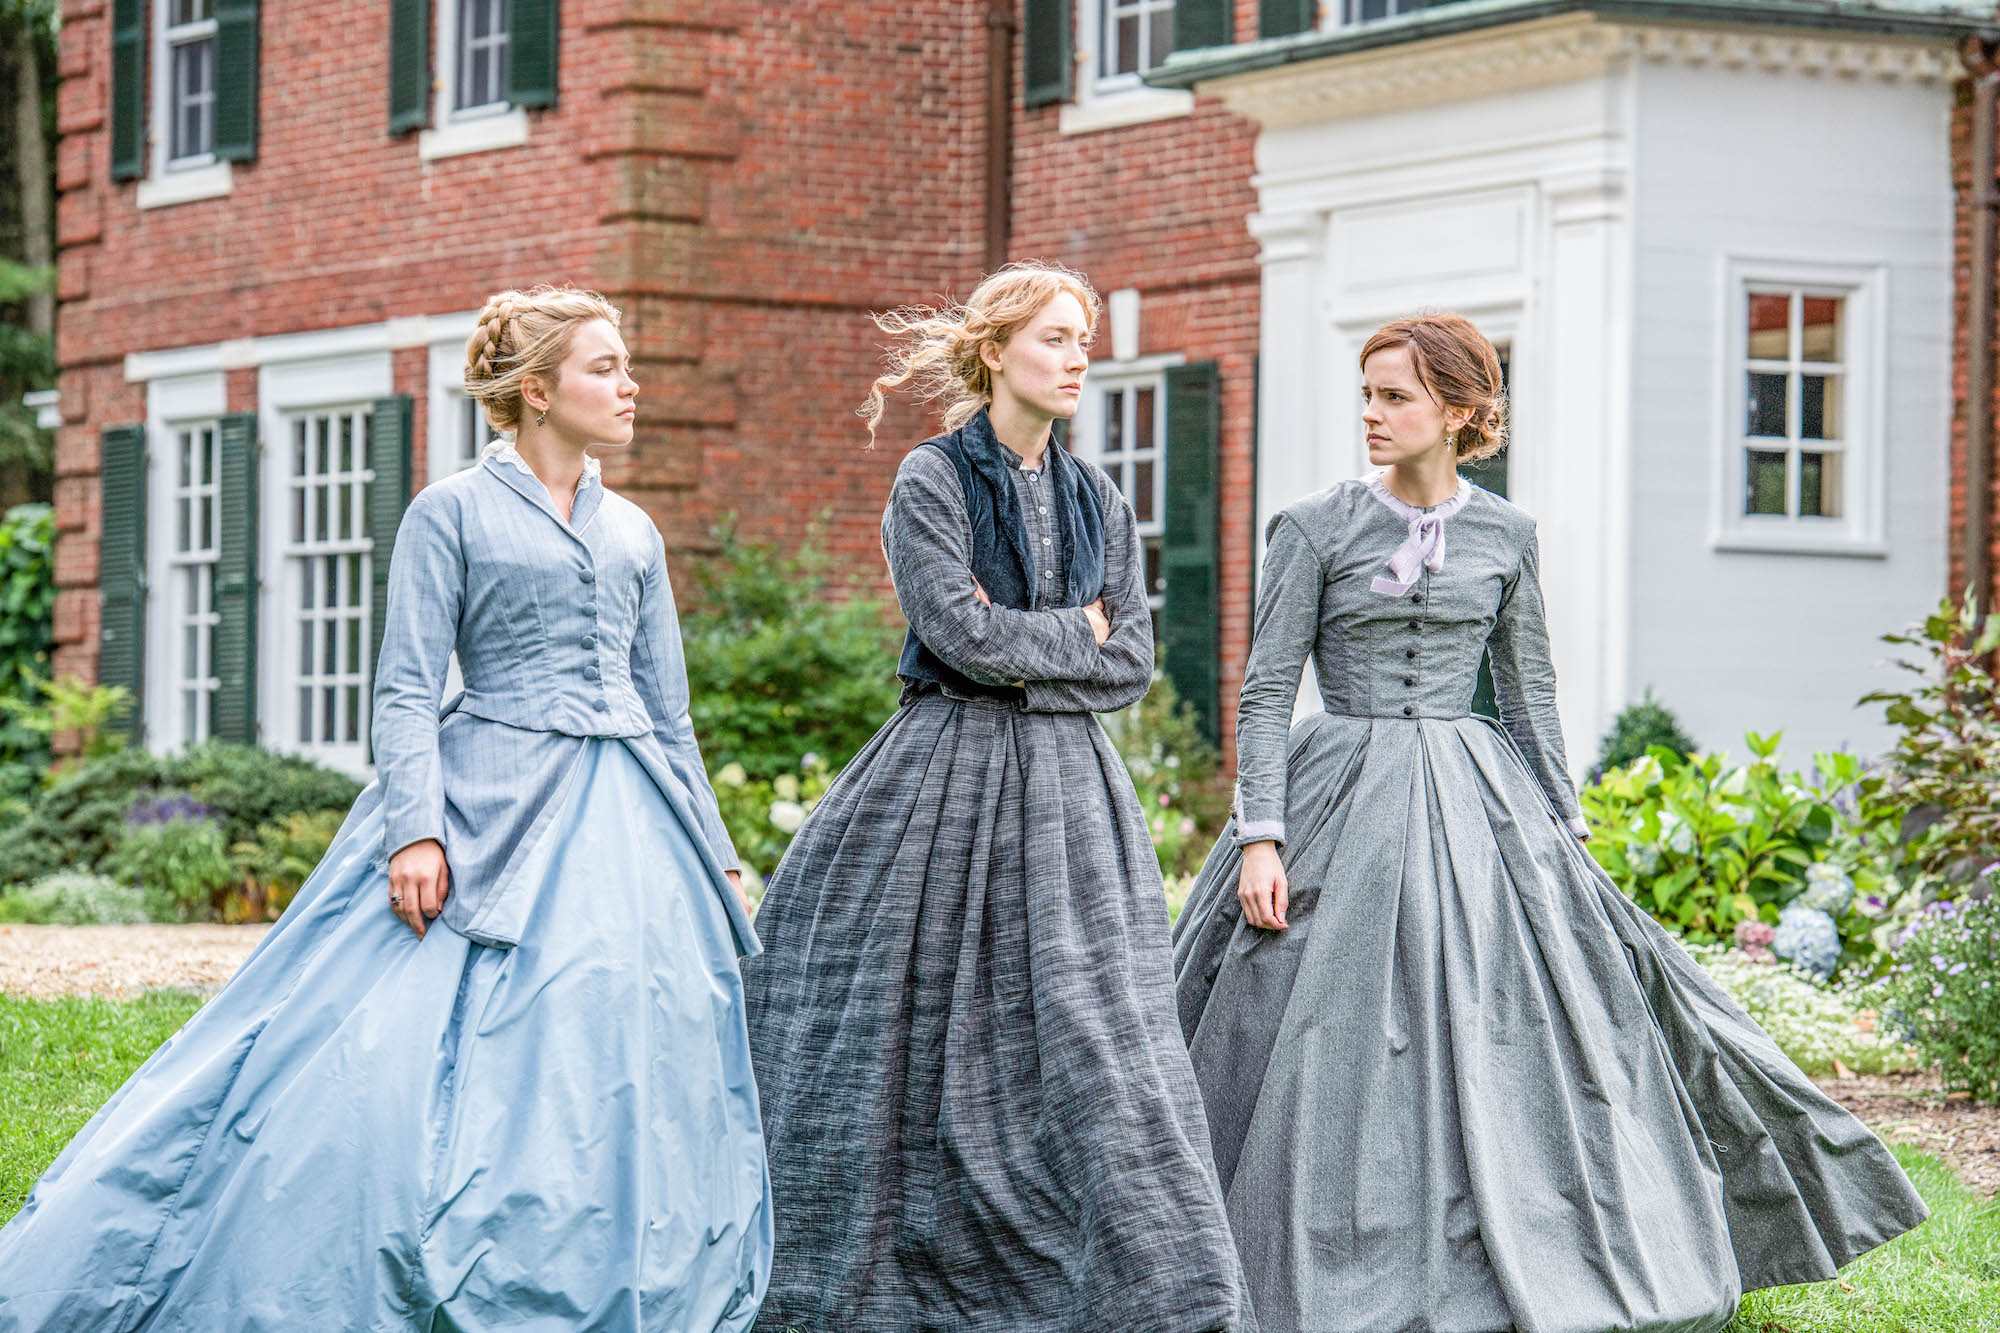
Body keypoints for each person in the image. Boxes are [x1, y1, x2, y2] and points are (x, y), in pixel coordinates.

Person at [0, 285, 771, 1332]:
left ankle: (610, 1267)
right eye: (604, 367)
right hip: (486, 802)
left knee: (620, 1042)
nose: (631, 384)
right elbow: (406, 686)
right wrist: (417, 827)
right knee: (390, 1051)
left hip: (631, 814)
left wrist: (717, 852)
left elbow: (667, 712)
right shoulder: (448, 510)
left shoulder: (634, 530)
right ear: (535, 391)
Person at [1171, 313, 1927, 1333]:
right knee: (1309, 1030)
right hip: (1330, 796)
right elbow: (1265, 690)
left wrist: (1561, 831)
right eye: (1365, 394)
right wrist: (1258, 832)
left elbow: (1528, 694)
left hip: (1472, 796)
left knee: (1519, 1025)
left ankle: (1523, 1233)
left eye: (1393, 397)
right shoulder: (1310, 528)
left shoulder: (1505, 536)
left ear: (1458, 410)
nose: (1370, 415)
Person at [741, 262, 1254, 1332]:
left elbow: (1134, 665)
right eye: (1056, 338)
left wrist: (1039, 644)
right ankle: (919, 1269)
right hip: (941, 777)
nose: (1078, 358)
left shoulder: (1097, 495)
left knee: (1093, 1032)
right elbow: (956, 637)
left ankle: (1139, 1286)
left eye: (1083, 339)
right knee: (914, 1025)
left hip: (1073, 794)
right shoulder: (930, 479)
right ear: (993, 352)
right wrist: (1074, 632)